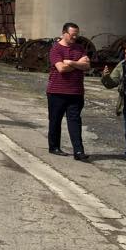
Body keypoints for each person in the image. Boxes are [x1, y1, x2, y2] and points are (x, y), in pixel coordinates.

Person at [47, 22, 91, 160]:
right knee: (55, 120)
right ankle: (54, 147)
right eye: (72, 35)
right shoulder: (56, 49)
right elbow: (61, 69)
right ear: (64, 33)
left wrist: (71, 62)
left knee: (75, 121)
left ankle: (78, 151)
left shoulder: (80, 48)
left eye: (76, 35)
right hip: (57, 91)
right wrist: (78, 64)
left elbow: (87, 66)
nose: (75, 37)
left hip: (76, 92)